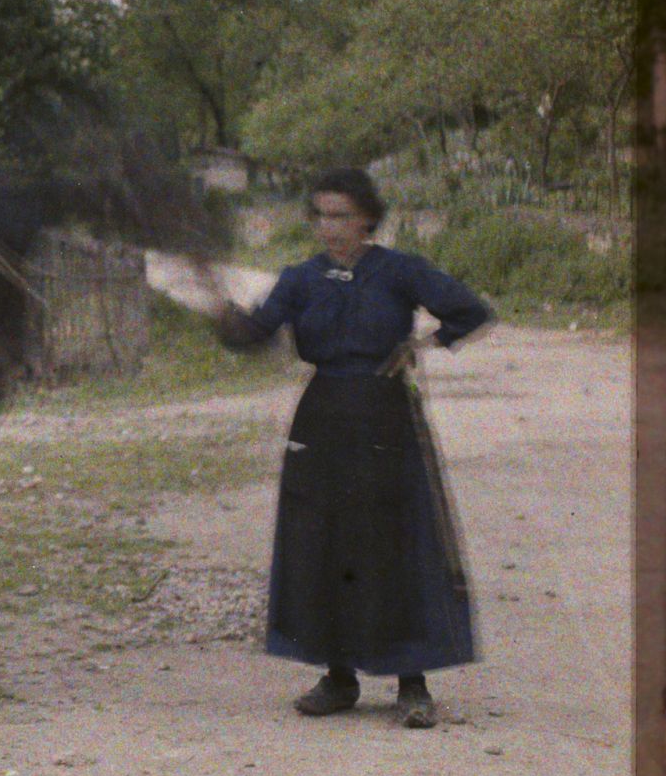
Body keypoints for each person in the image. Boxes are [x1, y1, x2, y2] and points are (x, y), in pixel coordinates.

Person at [208, 167, 493, 728]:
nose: (330, 227)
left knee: (394, 539)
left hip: (386, 417)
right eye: (320, 215)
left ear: (367, 218)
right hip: (322, 420)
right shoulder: (300, 279)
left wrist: (423, 343)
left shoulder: (400, 271)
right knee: (325, 541)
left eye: (341, 215)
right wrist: (213, 305)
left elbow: (470, 310)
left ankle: (412, 683)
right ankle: (339, 678)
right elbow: (254, 333)